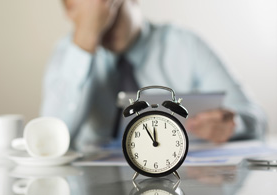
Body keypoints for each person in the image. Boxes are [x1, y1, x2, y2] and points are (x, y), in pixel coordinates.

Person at [40, 0, 267, 151]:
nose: (103, 26)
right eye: (94, 18)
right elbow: (47, 141)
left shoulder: (186, 44)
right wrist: (86, 39)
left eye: (109, 7)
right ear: (70, 14)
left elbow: (255, 117)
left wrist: (233, 125)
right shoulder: (68, 56)